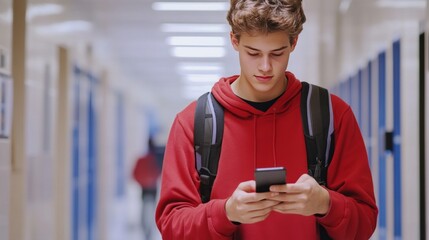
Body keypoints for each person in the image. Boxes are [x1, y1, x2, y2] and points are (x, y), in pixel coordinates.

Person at [155, 0, 378, 239]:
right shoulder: (192, 122)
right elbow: (172, 226)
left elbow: (364, 223)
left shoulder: (331, 114)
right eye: (253, 53)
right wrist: (226, 212)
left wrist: (325, 204)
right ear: (234, 41)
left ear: (293, 43)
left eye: (277, 53)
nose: (265, 67)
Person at [132, 137, 161, 240]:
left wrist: (144, 182)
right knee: (150, 209)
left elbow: (134, 174)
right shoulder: (156, 158)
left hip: (146, 189)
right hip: (151, 189)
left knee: (145, 209)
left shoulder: (144, 159)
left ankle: (147, 231)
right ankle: (148, 231)